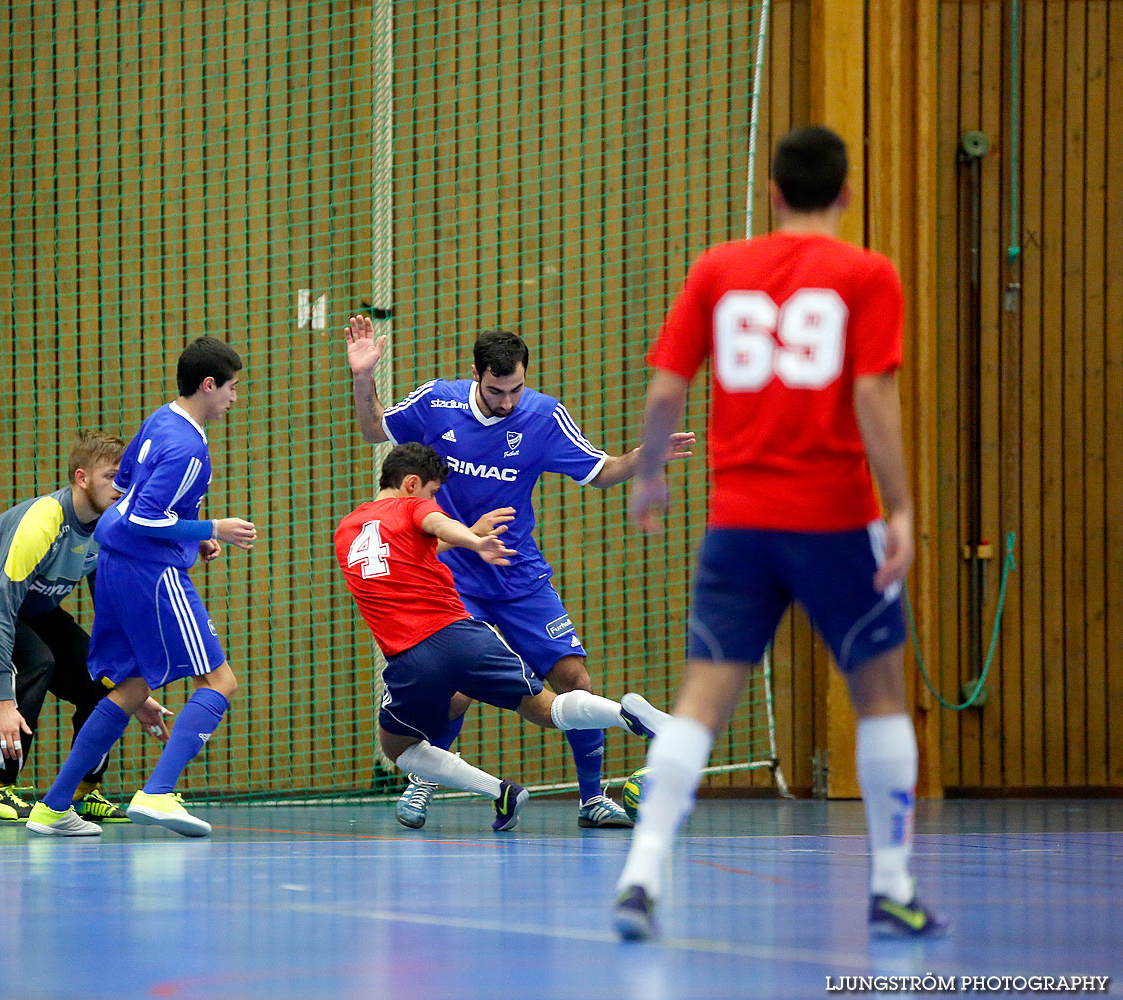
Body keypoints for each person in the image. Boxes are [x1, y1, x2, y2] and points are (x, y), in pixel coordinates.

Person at [612, 125, 948, 940]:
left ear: (771, 192)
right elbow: (872, 397)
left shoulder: (719, 270)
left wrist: (652, 472)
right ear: (845, 194)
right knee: (878, 696)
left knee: (698, 704)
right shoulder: (867, 274)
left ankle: (641, 876)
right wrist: (899, 507)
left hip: (740, 525)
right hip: (834, 520)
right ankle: (893, 885)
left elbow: (665, 389)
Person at [346, 319, 687, 829]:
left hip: (518, 571)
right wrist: (362, 376)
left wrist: (645, 457)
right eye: (495, 390)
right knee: (454, 690)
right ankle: (424, 784)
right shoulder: (438, 402)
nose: (507, 402)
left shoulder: (544, 417)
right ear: (475, 375)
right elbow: (375, 428)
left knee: (574, 678)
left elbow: (601, 472)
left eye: (515, 390)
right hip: (454, 572)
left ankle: (592, 799)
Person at [336, 443, 657, 832]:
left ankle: (498, 791)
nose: (434, 500)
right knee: (545, 708)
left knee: (397, 747)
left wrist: (468, 534)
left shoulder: (348, 529)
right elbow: (435, 524)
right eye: (434, 493)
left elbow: (419, 543)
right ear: (411, 483)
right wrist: (474, 541)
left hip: (409, 659)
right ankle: (623, 714)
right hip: (462, 637)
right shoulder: (412, 506)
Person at [26, 336, 257, 838]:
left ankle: (53, 806)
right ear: (209, 385)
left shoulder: (161, 420)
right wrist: (209, 529)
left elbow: (127, 493)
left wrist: (187, 536)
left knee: (131, 687)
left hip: (113, 567)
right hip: (148, 573)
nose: (235, 398)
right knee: (219, 682)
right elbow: (146, 519)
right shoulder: (190, 448)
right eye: (233, 388)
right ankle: (158, 793)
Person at [0, 430, 171, 823]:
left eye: (127, 478)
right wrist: (4, 701)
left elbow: (108, 613)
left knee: (102, 683)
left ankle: (84, 790)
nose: (122, 487)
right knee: (34, 663)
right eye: (112, 477)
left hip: (30, 607)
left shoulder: (108, 529)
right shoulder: (45, 520)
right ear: (81, 478)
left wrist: (132, 691)